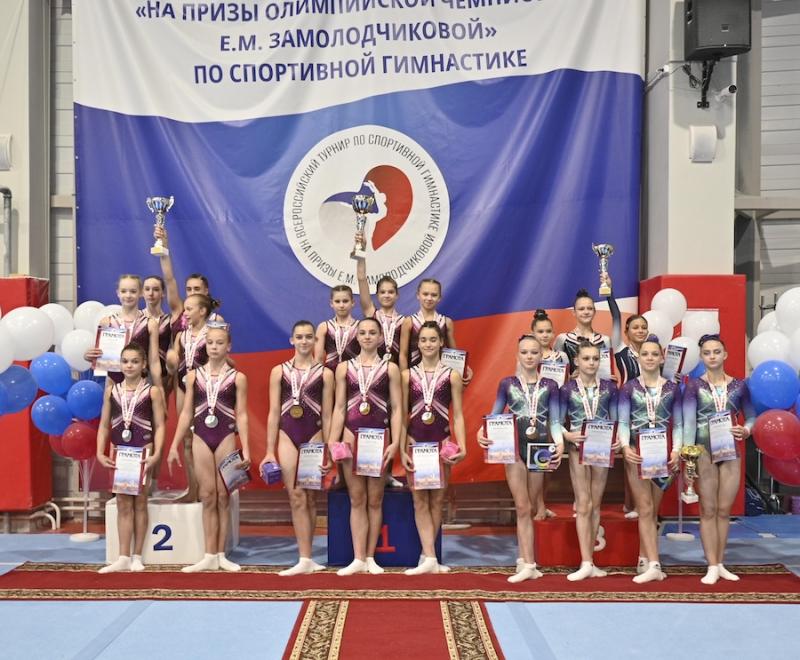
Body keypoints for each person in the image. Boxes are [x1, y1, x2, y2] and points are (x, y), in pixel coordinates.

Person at [477, 334, 563, 582]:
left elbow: (555, 420)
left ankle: (525, 559)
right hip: (513, 448)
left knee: (533, 506)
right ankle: (528, 562)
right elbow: (495, 413)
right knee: (522, 506)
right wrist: (482, 431)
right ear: (517, 355)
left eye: (534, 352)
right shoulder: (507, 384)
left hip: (540, 447)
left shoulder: (550, 386)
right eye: (524, 352)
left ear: (541, 356)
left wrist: (559, 442)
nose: (529, 356)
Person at [167, 324, 251, 572]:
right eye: (210, 343)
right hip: (201, 437)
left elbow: (242, 415)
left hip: (225, 436)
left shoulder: (238, 378)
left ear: (229, 346)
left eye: (219, 343)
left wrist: (246, 449)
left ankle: (221, 554)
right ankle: (208, 554)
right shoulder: (193, 376)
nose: (214, 347)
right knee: (207, 495)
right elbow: (186, 413)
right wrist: (174, 445)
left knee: (223, 495)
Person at [327, 318, 403, 576]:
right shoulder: (344, 368)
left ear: (381, 337)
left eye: (372, 332)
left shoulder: (390, 368)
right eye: (363, 333)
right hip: (351, 435)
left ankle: (370, 557)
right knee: (357, 498)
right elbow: (339, 408)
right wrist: (333, 440)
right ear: (356, 337)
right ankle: (358, 558)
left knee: (375, 499)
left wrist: (395, 442)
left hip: (379, 438)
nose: (368, 336)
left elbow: (397, 409)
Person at [260, 320, 334, 576]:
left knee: (310, 496)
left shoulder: (325, 374)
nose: (304, 341)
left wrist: (328, 447)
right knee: (296, 496)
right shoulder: (278, 372)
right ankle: (304, 557)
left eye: (308, 337)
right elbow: (273, 413)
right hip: (286, 436)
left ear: (315, 340)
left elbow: (327, 415)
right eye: (299, 337)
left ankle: (308, 556)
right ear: (291, 340)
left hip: (314, 435)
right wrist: (269, 451)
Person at [683, 334, 755, 585]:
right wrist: (689, 458)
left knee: (724, 510)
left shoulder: (740, 386)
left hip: (730, 451)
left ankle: (721, 563)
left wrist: (746, 430)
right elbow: (689, 423)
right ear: (701, 357)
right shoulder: (694, 386)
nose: (712, 356)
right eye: (707, 353)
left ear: (725, 354)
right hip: (703, 453)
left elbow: (751, 416)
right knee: (708, 509)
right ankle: (711, 564)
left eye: (716, 352)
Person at [401, 321, 467, 575]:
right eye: (423, 340)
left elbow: (457, 414)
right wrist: (402, 446)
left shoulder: (452, 375)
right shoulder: (407, 375)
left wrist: (462, 445)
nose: (428, 344)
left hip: (441, 443)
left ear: (441, 342)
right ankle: (429, 556)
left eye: (432, 339)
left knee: (437, 500)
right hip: (416, 443)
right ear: (417, 344)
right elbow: (401, 414)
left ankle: (427, 556)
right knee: (419, 500)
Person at [96, 343, 166, 573]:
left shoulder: (152, 392)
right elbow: (104, 425)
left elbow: (160, 425)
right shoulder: (111, 391)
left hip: (142, 450)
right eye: (125, 361)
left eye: (135, 361)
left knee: (140, 502)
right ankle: (123, 556)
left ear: (144, 364)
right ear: (119, 364)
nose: (129, 365)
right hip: (120, 451)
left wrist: (156, 453)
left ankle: (137, 556)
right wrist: (100, 452)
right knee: (123, 503)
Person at [618, 335, 683, 583]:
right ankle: (655, 564)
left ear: (662, 358)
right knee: (644, 507)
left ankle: (644, 557)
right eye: (645, 354)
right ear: (638, 357)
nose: (650, 358)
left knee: (653, 510)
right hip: (637, 453)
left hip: (663, 454)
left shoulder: (672, 389)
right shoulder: (628, 388)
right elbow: (623, 422)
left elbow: (679, 424)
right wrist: (625, 446)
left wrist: (676, 450)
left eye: (655, 354)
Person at [560, 340, 619, 581]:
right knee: (583, 504)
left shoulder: (609, 388)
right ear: (576, 360)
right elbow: (555, 421)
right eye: (586, 358)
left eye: (595, 358)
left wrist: (618, 439)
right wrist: (567, 435)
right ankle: (584, 561)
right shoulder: (567, 389)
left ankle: (590, 562)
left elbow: (616, 420)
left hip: (601, 448)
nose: (591, 363)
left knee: (595, 504)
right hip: (578, 448)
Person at [83, 274, 162, 385]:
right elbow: (100, 358)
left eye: (133, 291)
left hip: (141, 384)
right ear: (118, 293)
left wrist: (159, 386)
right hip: (113, 383)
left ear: (140, 293)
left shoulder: (150, 324)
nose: (128, 295)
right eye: (124, 291)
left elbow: (154, 361)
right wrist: (90, 356)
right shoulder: (107, 322)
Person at [399, 279, 473, 384]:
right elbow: (403, 354)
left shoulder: (446, 322)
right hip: (415, 378)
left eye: (434, 295)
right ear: (418, 295)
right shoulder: (409, 322)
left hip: (441, 378)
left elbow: (453, 353)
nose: (429, 298)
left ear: (439, 298)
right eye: (425, 294)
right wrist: (404, 379)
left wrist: (464, 368)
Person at [355, 237, 404, 363]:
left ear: (397, 295)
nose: (386, 295)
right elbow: (361, 278)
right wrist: (361, 251)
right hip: (371, 368)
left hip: (395, 369)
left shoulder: (404, 322)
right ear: (377, 295)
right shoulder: (371, 313)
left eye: (391, 292)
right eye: (382, 292)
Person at [554, 289, 612, 376]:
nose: (586, 312)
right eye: (581, 309)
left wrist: (610, 378)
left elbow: (607, 371)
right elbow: (556, 373)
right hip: (573, 385)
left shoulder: (604, 340)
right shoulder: (563, 339)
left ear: (594, 311)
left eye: (590, 308)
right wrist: (569, 379)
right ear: (574, 312)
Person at [315, 285, 360, 371]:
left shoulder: (360, 327)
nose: (341, 305)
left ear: (353, 302)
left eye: (345, 301)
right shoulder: (323, 327)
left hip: (354, 374)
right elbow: (318, 359)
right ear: (331, 303)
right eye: (337, 301)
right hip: (330, 374)